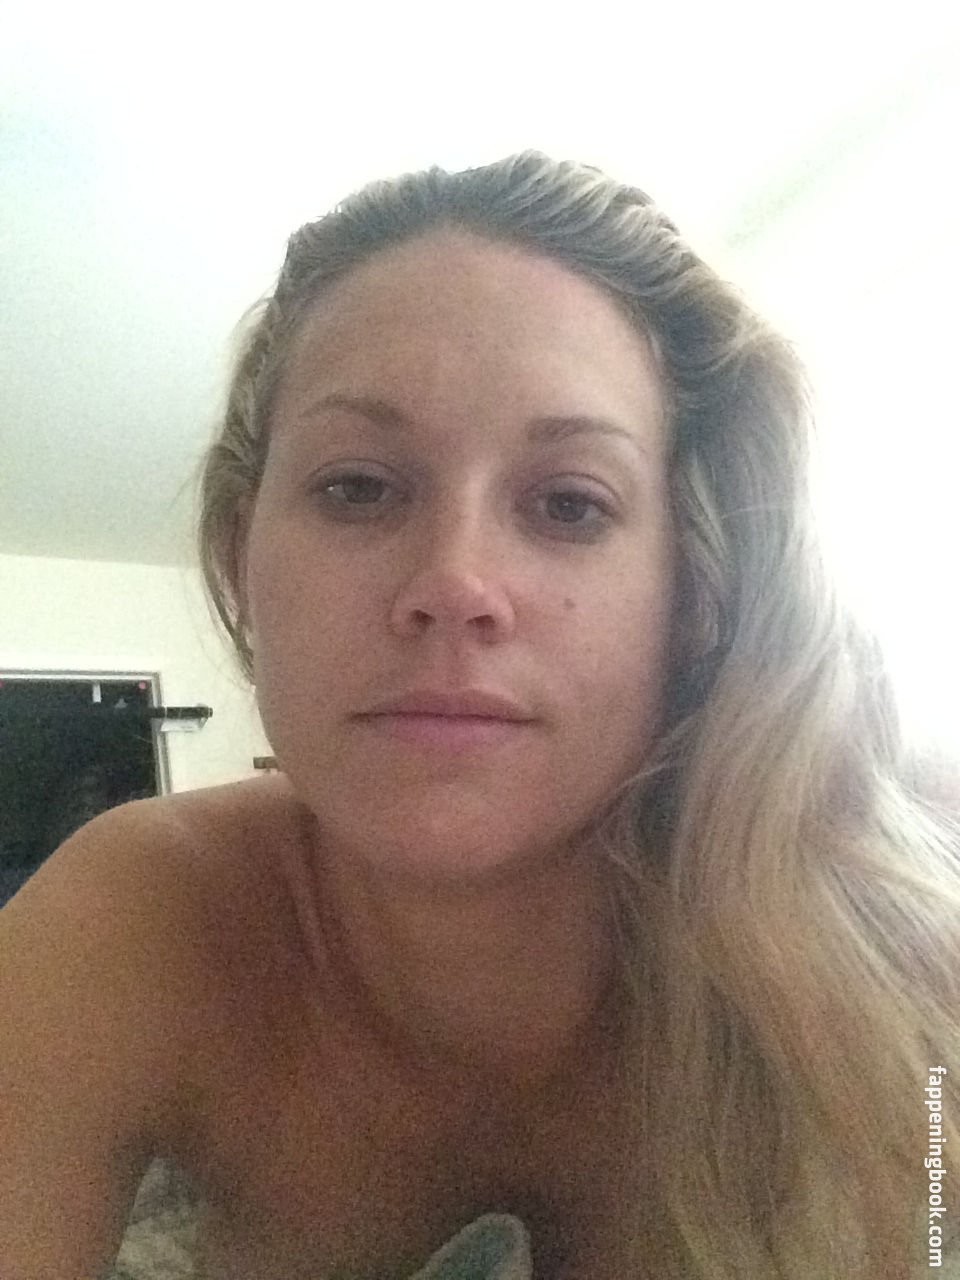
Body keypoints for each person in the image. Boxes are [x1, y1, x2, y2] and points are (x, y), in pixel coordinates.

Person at [2, 150, 959, 1280]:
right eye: (359, 486)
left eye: (569, 503)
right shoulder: (134, 918)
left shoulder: (909, 935)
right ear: (235, 553)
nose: (454, 582)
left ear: (697, 591)